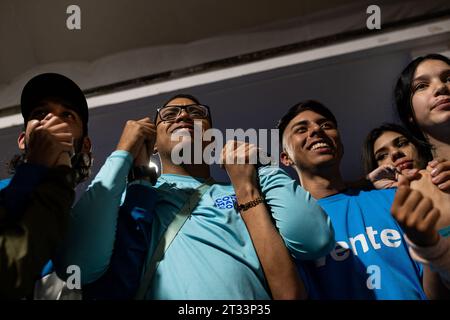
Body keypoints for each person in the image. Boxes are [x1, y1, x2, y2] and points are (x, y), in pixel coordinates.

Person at [55, 93, 335, 300]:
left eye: (196, 112)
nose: (184, 116)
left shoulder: (245, 189)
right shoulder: (135, 197)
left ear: (211, 138)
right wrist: (124, 150)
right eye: (169, 115)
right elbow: (79, 264)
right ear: (153, 143)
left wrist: (261, 171)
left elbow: (314, 239)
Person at [277, 100, 428, 299]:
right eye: (301, 129)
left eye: (326, 125)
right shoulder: (286, 228)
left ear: (339, 144)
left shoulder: (394, 198)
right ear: (286, 158)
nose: (316, 130)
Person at [0, 73, 93, 299]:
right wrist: (34, 168)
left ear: (85, 145)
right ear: (23, 140)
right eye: (40, 113)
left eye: (67, 115)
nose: (51, 121)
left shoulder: (89, 219)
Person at [392, 53, 450, 296]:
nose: (440, 87)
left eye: (448, 78)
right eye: (422, 86)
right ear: (410, 115)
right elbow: (434, 294)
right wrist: (426, 245)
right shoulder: (418, 187)